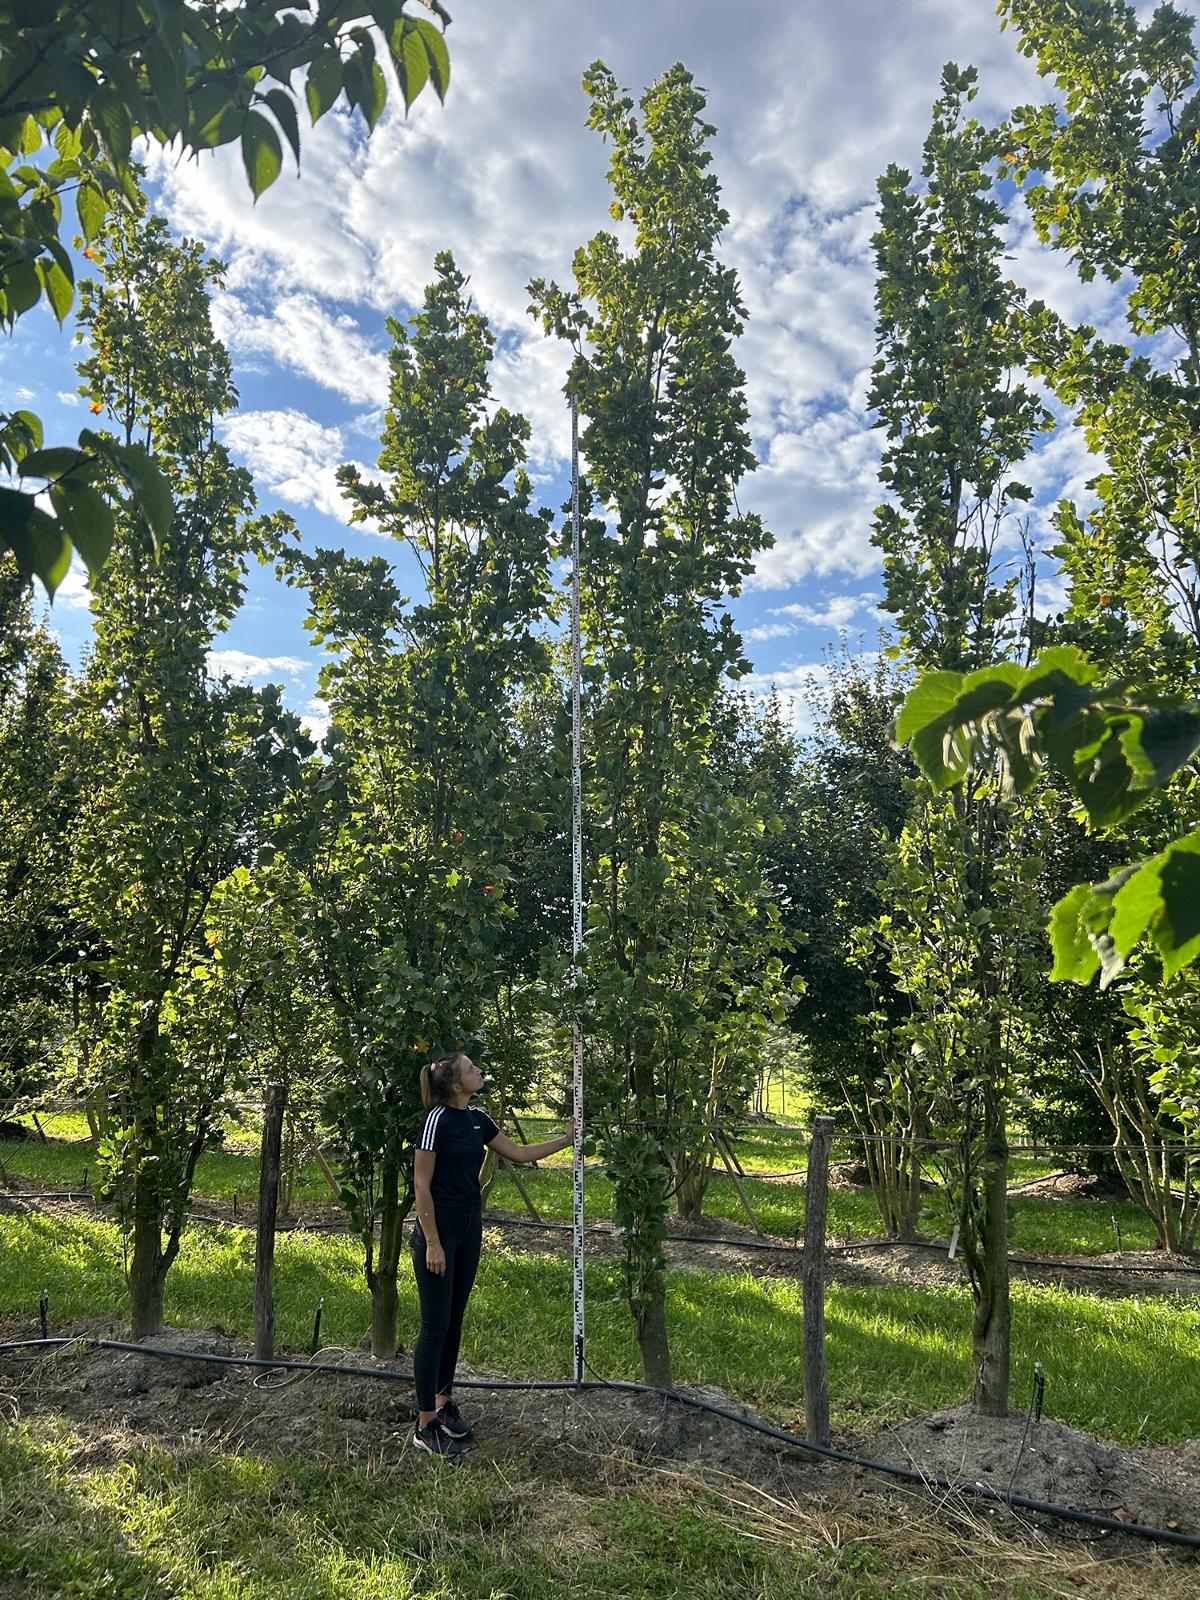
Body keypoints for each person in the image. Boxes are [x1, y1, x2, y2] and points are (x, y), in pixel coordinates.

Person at [410, 1051, 573, 1457]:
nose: (479, 1070)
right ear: (454, 1084)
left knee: (454, 1319)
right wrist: (432, 1241)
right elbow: (421, 1184)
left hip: (469, 1230)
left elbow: (517, 1153)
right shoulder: (436, 1122)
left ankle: (444, 1403)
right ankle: (425, 1422)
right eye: (471, 1069)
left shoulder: (478, 1119)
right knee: (434, 1325)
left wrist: (567, 1140)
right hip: (439, 1234)